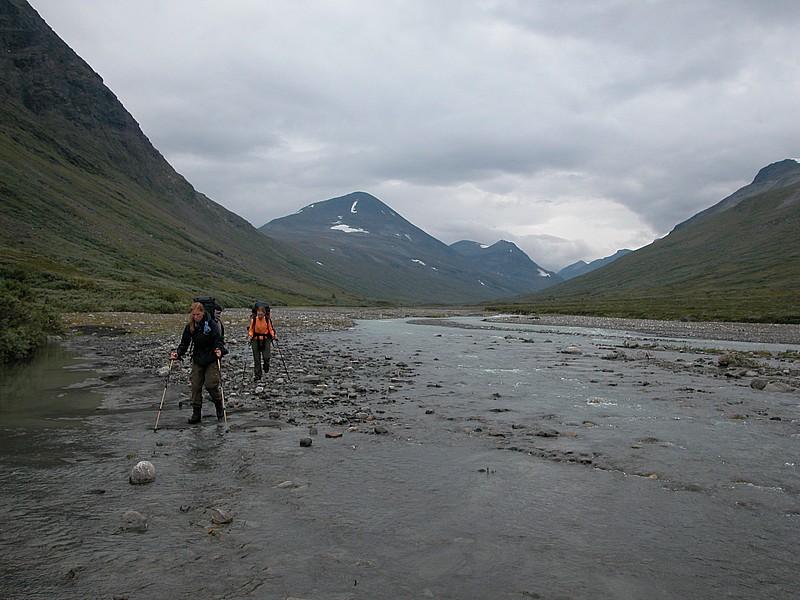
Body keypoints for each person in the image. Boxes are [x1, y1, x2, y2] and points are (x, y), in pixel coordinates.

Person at [170, 301, 228, 424]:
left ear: (203, 313)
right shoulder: (190, 326)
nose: (196, 317)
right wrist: (178, 353)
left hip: (211, 357)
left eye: (198, 315)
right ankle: (196, 413)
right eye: (194, 315)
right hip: (198, 357)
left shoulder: (212, 324)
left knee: (211, 385)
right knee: (195, 386)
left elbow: (218, 340)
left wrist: (219, 350)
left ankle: (219, 404)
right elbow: (184, 343)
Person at [248, 303, 277, 380]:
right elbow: (251, 330)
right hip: (255, 339)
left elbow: (270, 329)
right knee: (256, 358)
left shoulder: (267, 320)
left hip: (266, 339)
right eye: (258, 311)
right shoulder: (253, 320)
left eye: (261, 312)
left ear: (264, 313)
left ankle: (266, 365)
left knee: (266, 357)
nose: (260, 313)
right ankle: (258, 374)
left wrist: (273, 335)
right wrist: (250, 335)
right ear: (256, 312)